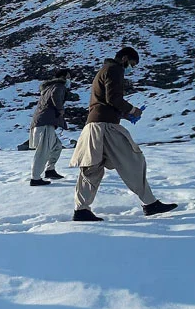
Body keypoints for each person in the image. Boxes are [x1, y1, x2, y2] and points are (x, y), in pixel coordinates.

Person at [70, 47, 177, 221]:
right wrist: (132, 110)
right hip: (107, 127)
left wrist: (125, 114)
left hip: (93, 126)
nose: (131, 69)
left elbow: (105, 101)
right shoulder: (115, 69)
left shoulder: (103, 70)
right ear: (124, 58)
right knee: (134, 160)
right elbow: (114, 99)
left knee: (91, 169)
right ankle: (150, 204)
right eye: (131, 65)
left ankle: (81, 210)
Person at [28, 68, 71, 186]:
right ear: (62, 77)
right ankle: (35, 178)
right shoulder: (59, 86)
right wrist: (60, 109)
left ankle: (50, 170)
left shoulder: (48, 87)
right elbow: (55, 95)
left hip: (42, 122)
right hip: (45, 123)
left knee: (57, 146)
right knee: (43, 151)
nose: (69, 80)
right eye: (68, 77)